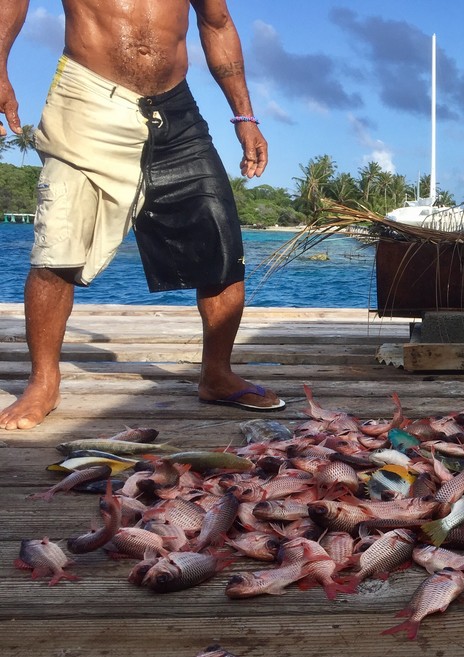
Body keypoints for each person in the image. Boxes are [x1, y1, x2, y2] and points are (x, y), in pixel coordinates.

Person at [0, 0, 285, 430]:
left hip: (175, 109)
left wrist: (244, 115)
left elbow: (218, 21)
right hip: (87, 99)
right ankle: (43, 382)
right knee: (57, 249)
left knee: (220, 242)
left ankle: (216, 374)